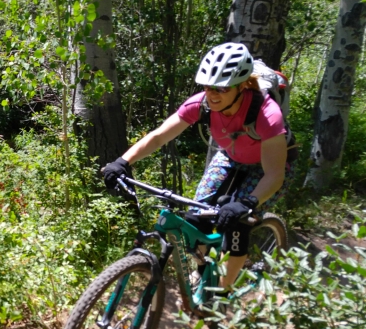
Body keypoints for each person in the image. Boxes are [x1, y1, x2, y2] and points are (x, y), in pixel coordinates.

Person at [102, 43, 294, 290]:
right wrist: (123, 161)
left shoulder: (268, 115)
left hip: (269, 167)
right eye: (207, 86)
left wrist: (246, 203)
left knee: (238, 224)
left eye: (221, 88)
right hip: (230, 157)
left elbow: (274, 174)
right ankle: (203, 271)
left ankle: (221, 293)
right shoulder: (201, 104)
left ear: (242, 85)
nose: (212, 94)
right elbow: (160, 136)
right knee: (198, 217)